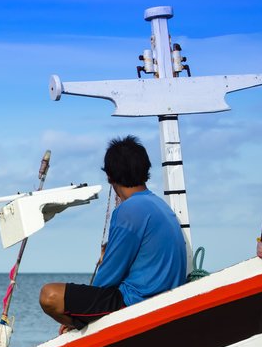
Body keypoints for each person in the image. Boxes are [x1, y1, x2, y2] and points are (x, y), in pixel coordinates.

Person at [40, 135, 187, 331]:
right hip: (164, 299)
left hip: (137, 302)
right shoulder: (159, 205)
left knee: (49, 295)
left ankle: (78, 328)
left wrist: (78, 311)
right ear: (145, 170)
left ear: (110, 176)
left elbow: (108, 278)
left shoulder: (129, 210)